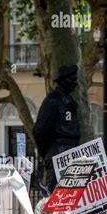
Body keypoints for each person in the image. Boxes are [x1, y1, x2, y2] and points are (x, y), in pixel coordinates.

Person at [33, 65, 80, 193]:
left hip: (73, 154)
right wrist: (49, 153)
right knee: (56, 198)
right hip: (58, 154)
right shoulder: (52, 101)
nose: (76, 83)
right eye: (73, 79)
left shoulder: (71, 101)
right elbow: (39, 131)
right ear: (64, 80)